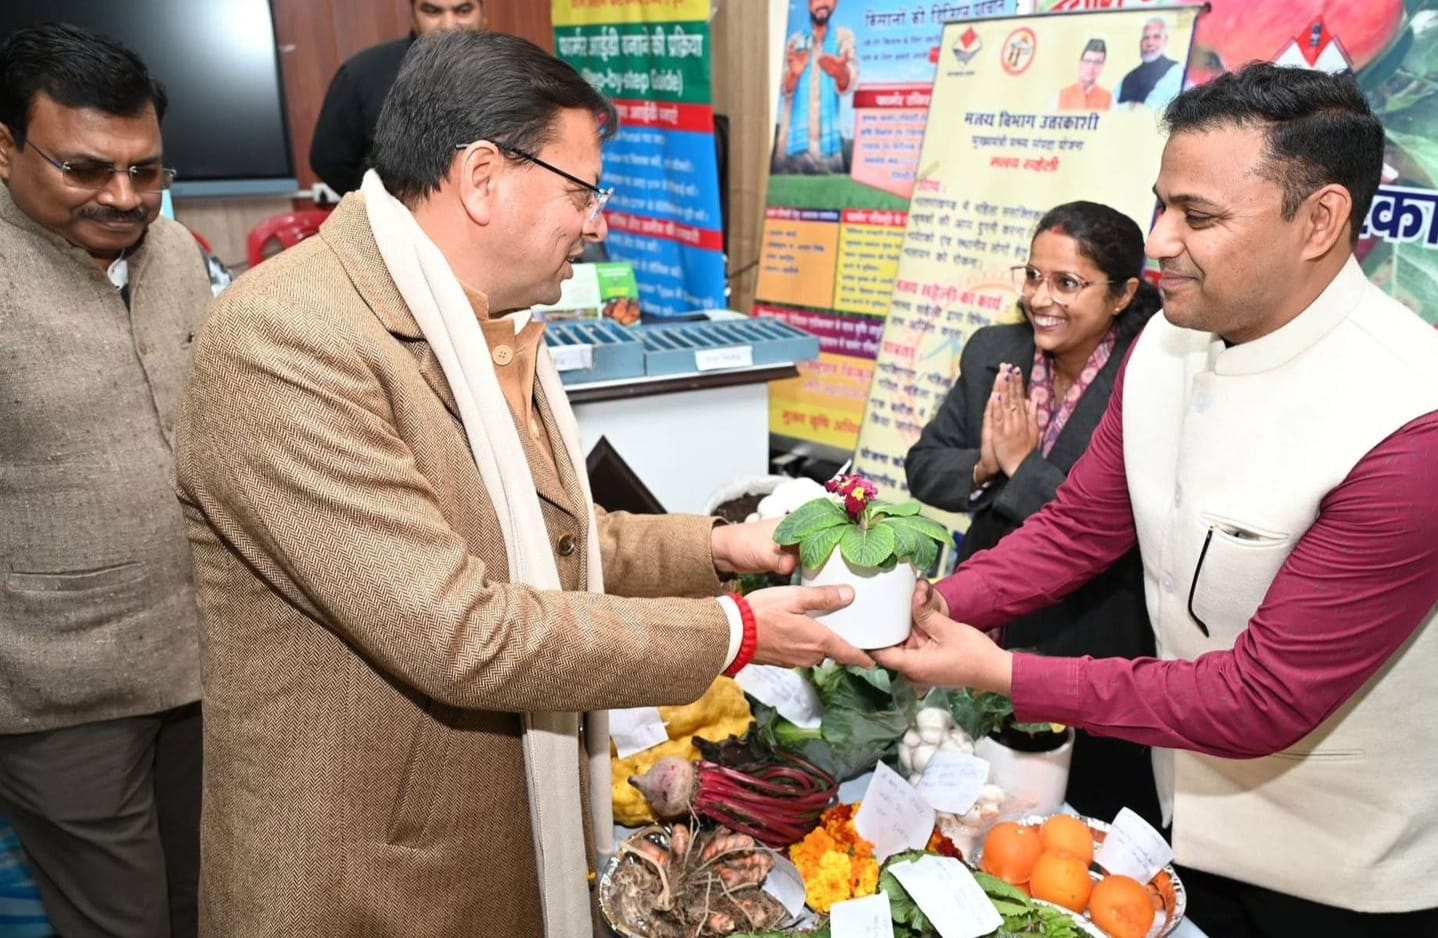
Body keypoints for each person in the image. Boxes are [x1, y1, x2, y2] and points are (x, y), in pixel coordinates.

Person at [175, 30, 870, 938]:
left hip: (485, 840)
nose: (599, 223)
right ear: (482, 178)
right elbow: (459, 629)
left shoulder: (475, 321)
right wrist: (734, 632)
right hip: (370, 878)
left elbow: (552, 539)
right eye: (583, 192)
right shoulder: (285, 340)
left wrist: (721, 547)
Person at [876, 63, 1438, 938]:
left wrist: (1002, 673)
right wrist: (936, 602)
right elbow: (1077, 530)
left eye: (1199, 216)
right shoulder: (1169, 346)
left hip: (1341, 872)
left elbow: (1264, 697)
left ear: (1320, 220)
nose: (1160, 241)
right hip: (1181, 811)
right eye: (1162, 206)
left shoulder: (1431, 426)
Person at [0, 23, 205, 938]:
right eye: (85, 170)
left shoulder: (179, 256)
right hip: (56, 695)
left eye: (145, 171)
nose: (123, 197)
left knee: (213, 904)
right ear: (6, 148)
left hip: (200, 665)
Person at [905, 202, 1159, 824]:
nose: (1041, 298)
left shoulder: (1150, 376)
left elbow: (1113, 522)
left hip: (1092, 626)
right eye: (1033, 276)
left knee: (1074, 811)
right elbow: (924, 465)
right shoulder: (994, 351)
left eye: (1067, 283)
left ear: (1123, 294)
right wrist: (986, 466)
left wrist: (1022, 468)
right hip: (985, 607)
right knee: (973, 798)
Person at [309, 0, 487, 195]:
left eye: (463, 10)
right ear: (413, 17)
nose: (448, 24)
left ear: (482, 15)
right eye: (432, 11)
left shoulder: (509, 72)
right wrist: (381, 202)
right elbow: (329, 162)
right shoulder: (361, 75)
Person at [773, 0, 858, 175]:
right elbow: (784, 89)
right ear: (809, 4)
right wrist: (794, 74)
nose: (823, 3)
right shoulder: (794, 41)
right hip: (792, 143)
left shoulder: (843, 37)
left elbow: (849, 79)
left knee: (830, 190)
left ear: (835, 4)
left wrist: (840, 73)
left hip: (828, 146)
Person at [1115, 17, 1181, 110]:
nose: (1150, 43)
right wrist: (1131, 106)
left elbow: (1151, 109)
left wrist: (1130, 107)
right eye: (1146, 38)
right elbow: (1110, 107)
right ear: (1141, 42)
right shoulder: (1129, 77)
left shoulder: (1175, 70)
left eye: (1156, 37)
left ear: (1165, 40)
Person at [1057, 39, 1112, 111]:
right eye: (1088, 61)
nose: (1091, 67)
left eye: (1097, 62)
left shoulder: (1109, 99)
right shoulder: (1061, 96)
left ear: (1103, 66)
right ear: (1080, 63)